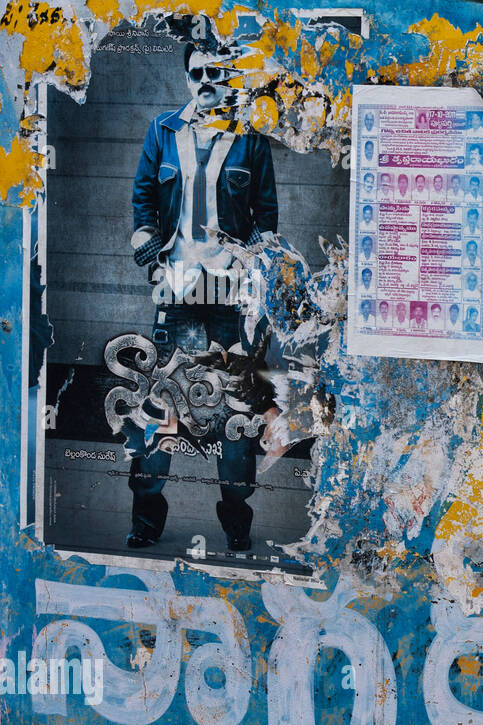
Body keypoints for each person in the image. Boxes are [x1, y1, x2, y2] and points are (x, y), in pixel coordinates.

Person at [126, 42, 278, 551]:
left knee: (235, 407)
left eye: (216, 72)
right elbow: (144, 194)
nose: (206, 81)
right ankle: (146, 518)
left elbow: (267, 219)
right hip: (176, 288)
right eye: (197, 73)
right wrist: (144, 239)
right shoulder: (163, 130)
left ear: (230, 78)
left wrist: (249, 260)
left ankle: (237, 517)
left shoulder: (252, 137)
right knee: (159, 402)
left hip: (229, 296)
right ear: (187, 78)